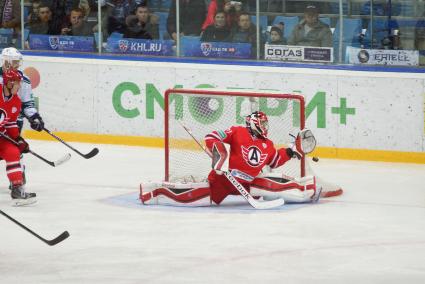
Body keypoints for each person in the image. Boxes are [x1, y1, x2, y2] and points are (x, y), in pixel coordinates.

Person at [140, 111, 321, 207]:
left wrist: (290, 152)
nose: (265, 127)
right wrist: (219, 154)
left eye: (266, 124)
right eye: (263, 123)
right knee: (197, 198)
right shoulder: (237, 131)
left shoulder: (268, 144)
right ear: (253, 123)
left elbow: (274, 161)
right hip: (224, 179)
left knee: (270, 181)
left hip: (248, 185)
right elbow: (211, 137)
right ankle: (154, 191)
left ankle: (307, 187)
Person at [0, 48, 45, 187]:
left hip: (13, 119)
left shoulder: (23, 79)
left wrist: (34, 118)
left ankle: (17, 181)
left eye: (18, 62)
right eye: (14, 62)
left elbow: (27, 103)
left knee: (15, 147)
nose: (17, 64)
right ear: (6, 61)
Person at [0, 69, 36, 206]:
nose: (19, 86)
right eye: (17, 83)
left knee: (13, 152)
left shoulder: (16, 101)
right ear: (8, 83)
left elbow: (10, 124)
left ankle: (17, 190)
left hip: (1, 137)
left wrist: (18, 139)